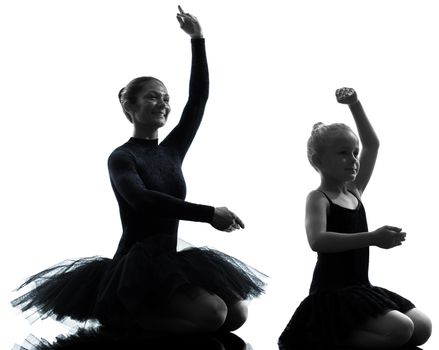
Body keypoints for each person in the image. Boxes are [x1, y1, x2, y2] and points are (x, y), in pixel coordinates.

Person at [12, 6, 264, 335]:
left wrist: (198, 39)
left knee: (238, 313)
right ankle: (130, 321)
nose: (162, 103)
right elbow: (143, 199)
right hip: (137, 265)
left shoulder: (172, 150)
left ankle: (159, 320)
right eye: (152, 97)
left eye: (165, 98)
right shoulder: (122, 157)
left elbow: (198, 99)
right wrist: (208, 213)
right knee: (214, 315)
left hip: (170, 260)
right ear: (130, 107)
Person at [278, 87, 432, 349]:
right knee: (402, 330)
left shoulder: (355, 192)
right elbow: (318, 240)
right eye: (342, 153)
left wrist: (355, 104)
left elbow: (373, 144)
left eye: (354, 152)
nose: (353, 160)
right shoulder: (318, 198)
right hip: (331, 295)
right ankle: (320, 337)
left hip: (361, 288)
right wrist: (373, 238)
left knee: (422, 328)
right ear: (319, 160)